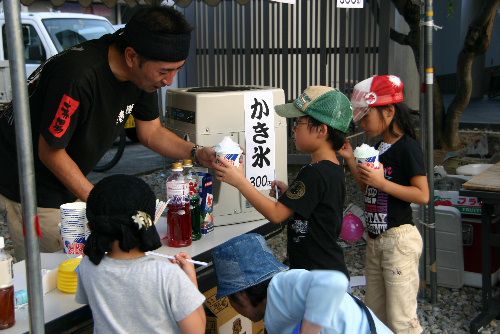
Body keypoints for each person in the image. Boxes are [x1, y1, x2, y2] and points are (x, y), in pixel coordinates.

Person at [0, 6, 215, 260]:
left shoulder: (143, 78)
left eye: (178, 69)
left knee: (89, 262)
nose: (170, 80)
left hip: (67, 177)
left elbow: (151, 132)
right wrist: (102, 202)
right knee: (58, 268)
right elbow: (50, 151)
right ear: (132, 56)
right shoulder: (78, 76)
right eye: (165, 71)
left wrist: (197, 153)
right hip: (30, 181)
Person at [213, 86, 353, 278]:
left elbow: (277, 214)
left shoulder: (314, 173)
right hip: (326, 268)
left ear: (321, 130)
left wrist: (240, 181)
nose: (293, 128)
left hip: (317, 274)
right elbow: (317, 207)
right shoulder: (333, 168)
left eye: (299, 122)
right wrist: (290, 195)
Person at [339, 75, 429, 334]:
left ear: (389, 111)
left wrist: (383, 183)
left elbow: (422, 195)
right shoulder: (379, 147)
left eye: (366, 117)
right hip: (376, 239)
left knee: (402, 320)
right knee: (375, 314)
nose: (363, 124)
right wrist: (350, 160)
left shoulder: (408, 148)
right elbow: (369, 187)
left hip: (399, 240)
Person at [76, 174, 206, 334]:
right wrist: (190, 280)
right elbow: (197, 330)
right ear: (148, 221)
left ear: (93, 224)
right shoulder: (167, 274)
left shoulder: (87, 266)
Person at [212, 233, 393, 334]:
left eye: (229, 299)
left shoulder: (281, 286)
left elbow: (334, 282)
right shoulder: (272, 314)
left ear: (241, 295)